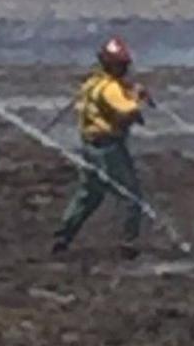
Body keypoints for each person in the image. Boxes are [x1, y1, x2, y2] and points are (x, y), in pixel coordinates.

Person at [52, 36, 150, 258]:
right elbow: (127, 113)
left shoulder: (92, 83)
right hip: (108, 148)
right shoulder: (109, 89)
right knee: (131, 195)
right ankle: (128, 243)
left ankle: (63, 235)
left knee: (90, 194)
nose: (124, 68)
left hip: (90, 145)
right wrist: (137, 98)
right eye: (121, 64)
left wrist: (130, 93)